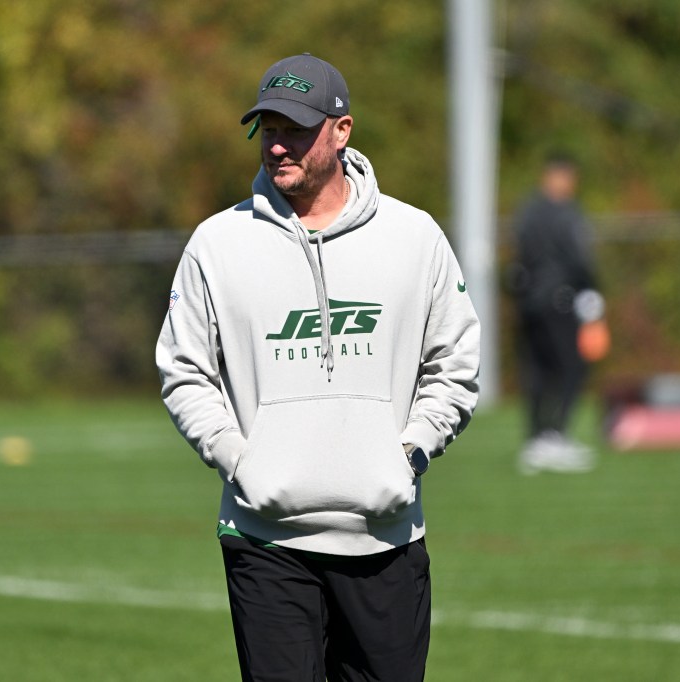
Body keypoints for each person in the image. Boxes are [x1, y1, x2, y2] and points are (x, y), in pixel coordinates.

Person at [156, 54, 480, 681]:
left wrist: (408, 453)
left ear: (342, 129)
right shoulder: (218, 244)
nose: (278, 145)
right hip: (265, 541)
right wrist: (238, 459)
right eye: (268, 128)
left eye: (296, 129)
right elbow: (184, 369)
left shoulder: (414, 237)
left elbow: (455, 363)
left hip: (385, 539)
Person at [509, 152, 606, 474]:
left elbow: (518, 255)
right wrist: (592, 291)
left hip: (529, 300)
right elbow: (581, 259)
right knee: (570, 367)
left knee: (536, 369)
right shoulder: (567, 214)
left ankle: (536, 439)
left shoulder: (528, 212)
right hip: (560, 300)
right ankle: (556, 435)